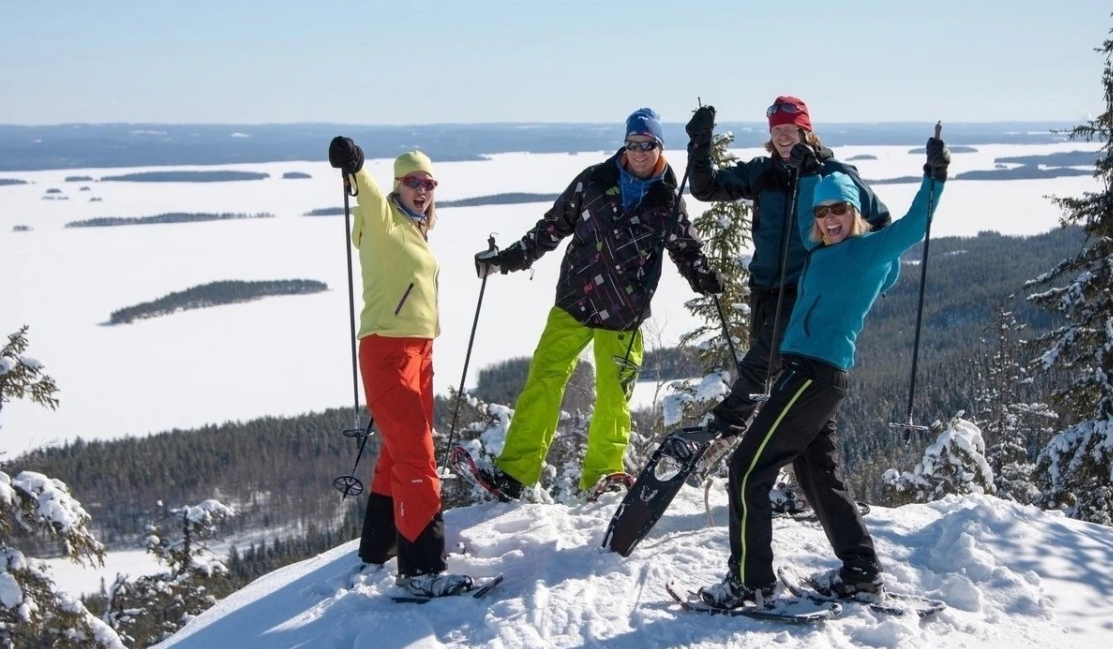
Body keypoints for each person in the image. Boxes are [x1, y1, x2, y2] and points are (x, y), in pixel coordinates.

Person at [696, 134, 951, 609]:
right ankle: (861, 572)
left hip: (814, 375)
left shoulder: (867, 251)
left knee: (747, 468)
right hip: (809, 374)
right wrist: (807, 172)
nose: (829, 219)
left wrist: (933, 177)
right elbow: (797, 209)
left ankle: (750, 583)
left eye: (839, 210)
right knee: (818, 478)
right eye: (822, 212)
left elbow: (914, 225)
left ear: (854, 212)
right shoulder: (818, 253)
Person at [471, 108, 724, 500]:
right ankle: (515, 473)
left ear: (660, 147)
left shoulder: (667, 201)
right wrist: (507, 260)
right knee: (543, 382)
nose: (639, 152)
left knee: (613, 397)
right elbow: (550, 228)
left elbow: (686, 249)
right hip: (574, 301)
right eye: (633, 144)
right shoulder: (594, 181)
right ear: (624, 144)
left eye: (648, 145)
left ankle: (604, 478)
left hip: (624, 313)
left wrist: (703, 277)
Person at [684, 97, 891, 469]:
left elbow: (881, 222)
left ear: (805, 130)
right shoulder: (763, 172)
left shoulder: (834, 174)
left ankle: (723, 428)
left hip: (809, 292)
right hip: (764, 288)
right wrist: (700, 144)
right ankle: (813, 478)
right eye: (777, 130)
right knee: (792, 389)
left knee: (761, 367)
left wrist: (862, 269)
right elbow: (706, 188)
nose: (783, 137)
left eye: (790, 129)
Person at [327, 137, 472, 598]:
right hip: (388, 352)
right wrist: (355, 167)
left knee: (398, 450)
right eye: (413, 182)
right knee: (417, 455)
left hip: (419, 353)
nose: (422, 189)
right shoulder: (384, 218)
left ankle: (379, 547)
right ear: (397, 185)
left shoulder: (415, 228)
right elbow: (366, 192)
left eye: (428, 182)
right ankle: (423, 569)